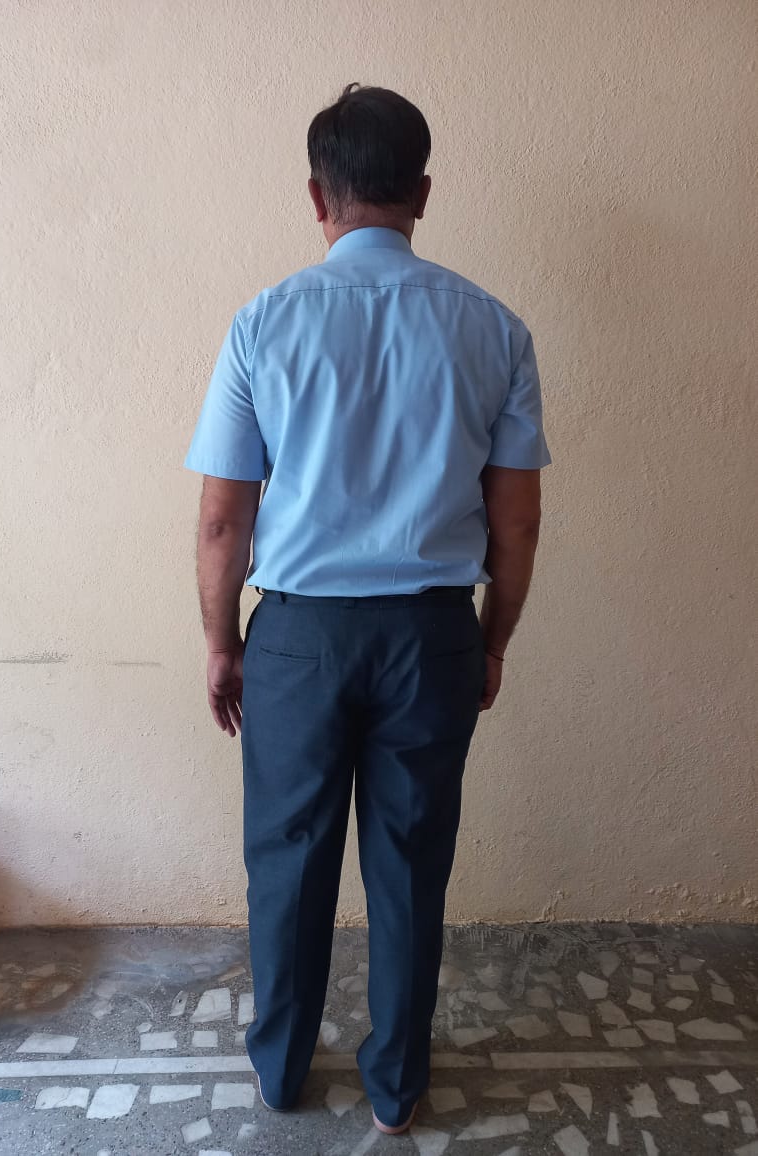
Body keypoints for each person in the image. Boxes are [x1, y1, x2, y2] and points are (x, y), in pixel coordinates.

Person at [184, 83, 551, 1134]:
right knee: (409, 863)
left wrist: (221, 643)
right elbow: (517, 521)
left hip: (298, 636)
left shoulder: (264, 323)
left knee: (287, 861)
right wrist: (491, 640)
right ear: (422, 192)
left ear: (317, 196)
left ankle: (282, 1070)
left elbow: (223, 519)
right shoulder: (495, 329)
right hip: (431, 633)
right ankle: (396, 1088)